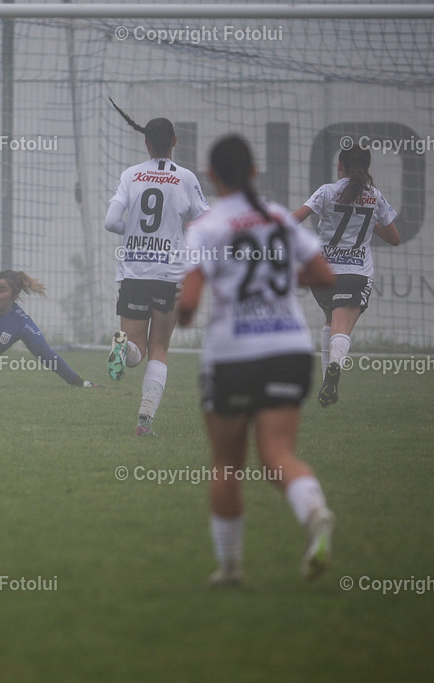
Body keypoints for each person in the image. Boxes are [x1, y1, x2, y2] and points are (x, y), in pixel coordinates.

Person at [177, 135, 337, 586]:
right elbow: (323, 276)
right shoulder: (280, 218)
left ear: (211, 177)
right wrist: (284, 275)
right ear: (254, 172)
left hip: (232, 357)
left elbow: (188, 304)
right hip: (289, 349)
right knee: (278, 454)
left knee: (227, 465)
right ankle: (314, 512)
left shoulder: (207, 227)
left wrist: (189, 312)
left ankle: (229, 569)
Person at [104, 100, 209, 436]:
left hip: (134, 272)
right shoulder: (186, 178)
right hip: (169, 276)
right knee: (159, 349)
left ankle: (123, 346)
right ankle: (144, 420)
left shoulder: (130, 175)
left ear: (146, 144)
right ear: (174, 141)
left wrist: (131, 230)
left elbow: (110, 222)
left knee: (136, 351)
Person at [292, 144, 400, 407]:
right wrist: (367, 220)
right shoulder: (375, 196)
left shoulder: (327, 191)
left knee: (330, 321)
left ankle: (327, 387)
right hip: (356, 273)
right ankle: (334, 370)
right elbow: (394, 238)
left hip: (323, 272)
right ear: (366, 167)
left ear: (340, 165)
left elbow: (294, 219)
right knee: (341, 328)